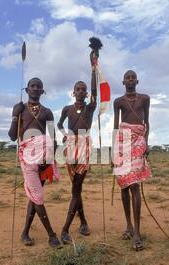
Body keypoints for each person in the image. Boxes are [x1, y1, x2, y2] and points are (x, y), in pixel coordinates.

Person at [8, 77, 62, 249]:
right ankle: (52, 235)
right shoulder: (20, 109)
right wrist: (15, 116)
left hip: (44, 158)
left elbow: (53, 139)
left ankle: (25, 232)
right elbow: (11, 136)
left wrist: (48, 161)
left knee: (34, 196)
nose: (35, 88)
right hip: (27, 158)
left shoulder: (47, 112)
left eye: (39, 86)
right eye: (32, 86)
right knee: (37, 196)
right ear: (27, 89)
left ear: (42, 91)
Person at [56, 51, 97, 244]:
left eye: (84, 89)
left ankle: (65, 229)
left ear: (87, 93)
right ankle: (84, 223)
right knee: (76, 188)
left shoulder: (90, 108)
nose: (81, 92)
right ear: (73, 93)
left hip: (84, 147)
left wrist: (93, 66)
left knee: (76, 189)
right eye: (78, 89)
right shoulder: (67, 109)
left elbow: (96, 92)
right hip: (70, 147)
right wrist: (65, 135)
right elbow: (59, 125)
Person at [112, 70, 151, 251]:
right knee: (124, 185)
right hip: (122, 142)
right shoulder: (118, 102)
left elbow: (147, 123)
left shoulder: (145, 98)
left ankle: (137, 232)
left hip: (137, 142)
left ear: (137, 80)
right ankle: (128, 225)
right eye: (127, 77)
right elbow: (115, 127)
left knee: (135, 185)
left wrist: (146, 143)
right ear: (123, 81)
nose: (130, 80)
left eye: (132, 77)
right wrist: (113, 151)